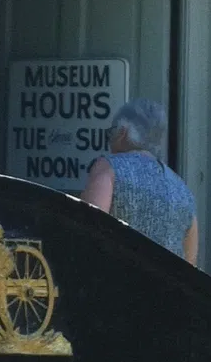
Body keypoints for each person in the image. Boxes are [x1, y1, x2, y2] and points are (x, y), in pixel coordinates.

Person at [81, 99, 198, 262]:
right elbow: (190, 267)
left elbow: (84, 232)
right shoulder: (184, 192)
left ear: (121, 132)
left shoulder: (109, 168)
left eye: (111, 132)